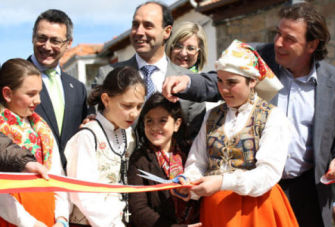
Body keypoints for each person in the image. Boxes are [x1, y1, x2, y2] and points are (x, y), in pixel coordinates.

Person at [162, 3, 335, 227]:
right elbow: (217, 79)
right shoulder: (257, 58)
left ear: (312, 44)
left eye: (289, 38)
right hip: (242, 195)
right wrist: (188, 81)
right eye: (277, 33)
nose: (278, 43)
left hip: (307, 190)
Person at [174, 40, 298, 227]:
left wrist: (222, 182)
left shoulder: (272, 116)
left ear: (253, 81)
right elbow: (197, 161)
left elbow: (268, 173)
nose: (223, 89)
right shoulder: (212, 115)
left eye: (232, 82)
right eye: (220, 81)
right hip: (217, 211)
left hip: (257, 211)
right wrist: (188, 183)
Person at [95, 1, 205, 140]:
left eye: (148, 26)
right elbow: (95, 126)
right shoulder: (107, 75)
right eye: (135, 25)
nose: (139, 32)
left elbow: (195, 139)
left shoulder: (190, 81)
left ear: (167, 31)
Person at [65, 66, 145, 227]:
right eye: (127, 106)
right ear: (106, 100)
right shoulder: (87, 137)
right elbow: (83, 193)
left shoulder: (129, 134)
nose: (134, 113)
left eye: (138, 106)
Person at [0, 58, 69, 227]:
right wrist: (30, 223)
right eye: (31, 94)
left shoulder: (41, 128)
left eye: (39, 92)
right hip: (11, 218)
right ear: (8, 94)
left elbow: (56, 175)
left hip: (48, 218)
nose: (38, 100)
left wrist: (61, 218)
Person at [127, 92, 201, 227]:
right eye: (149, 121)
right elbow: (139, 210)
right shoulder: (139, 160)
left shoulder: (191, 153)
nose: (155, 127)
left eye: (162, 120)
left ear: (177, 124)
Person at [30, 9, 88, 169]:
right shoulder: (10, 80)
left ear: (68, 43)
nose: (47, 46)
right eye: (42, 38)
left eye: (55, 41)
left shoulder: (78, 89)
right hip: (28, 180)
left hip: (69, 180)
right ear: (33, 37)